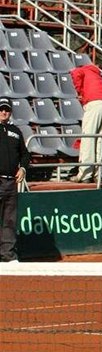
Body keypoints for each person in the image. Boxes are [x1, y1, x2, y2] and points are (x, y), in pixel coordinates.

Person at [69, 63, 102, 183]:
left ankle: (85, 174)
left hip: (94, 102)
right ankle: (97, 174)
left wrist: (79, 91)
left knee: (88, 138)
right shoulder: (97, 74)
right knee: (101, 140)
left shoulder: (82, 70)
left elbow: (75, 73)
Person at [0, 97, 29, 263]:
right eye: (1, 109)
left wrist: (23, 168)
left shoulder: (16, 131)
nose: (4, 112)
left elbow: (25, 154)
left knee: (9, 220)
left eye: (7, 109)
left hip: (11, 182)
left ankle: (8, 255)